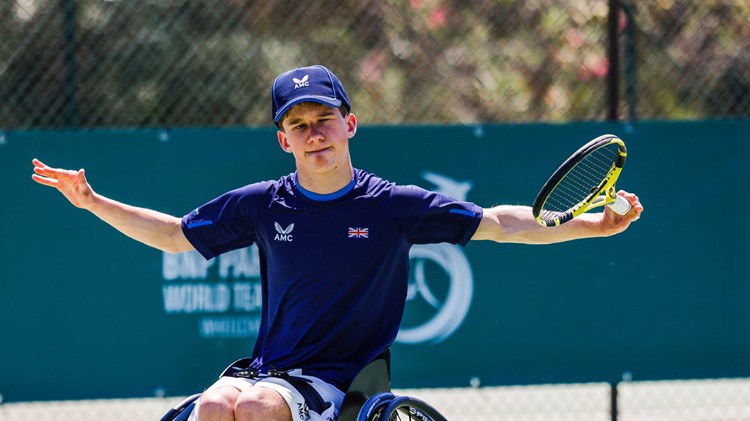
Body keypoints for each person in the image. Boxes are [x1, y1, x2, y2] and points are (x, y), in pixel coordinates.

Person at [31, 64, 644, 421]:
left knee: (255, 413)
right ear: (283, 142)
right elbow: (173, 236)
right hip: (263, 367)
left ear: (349, 123)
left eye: (323, 118)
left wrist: (589, 223)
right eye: (297, 125)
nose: (313, 132)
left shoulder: (393, 206)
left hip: (337, 382)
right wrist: (92, 201)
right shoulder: (262, 203)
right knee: (219, 410)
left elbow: (499, 222)